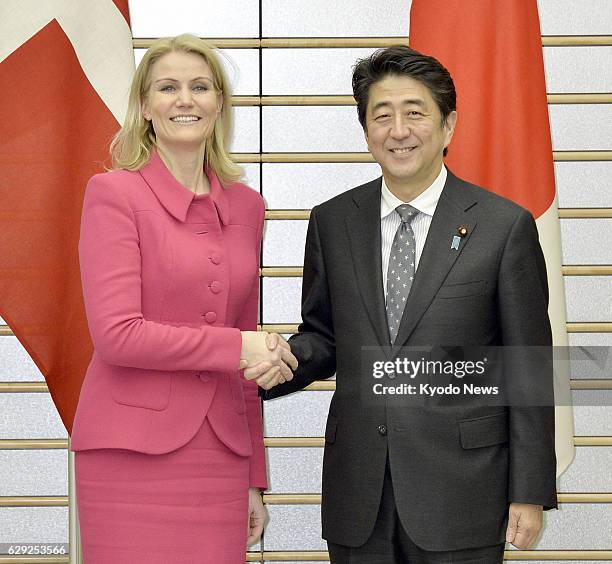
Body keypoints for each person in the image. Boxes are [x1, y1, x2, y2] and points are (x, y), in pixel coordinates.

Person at [251, 46, 557, 563]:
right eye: (382, 115)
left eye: (415, 112)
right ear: (365, 128)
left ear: (448, 124)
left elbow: (527, 366)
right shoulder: (332, 221)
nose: (399, 130)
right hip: (360, 489)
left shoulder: (504, 227)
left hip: (463, 492)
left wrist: (527, 491)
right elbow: (325, 335)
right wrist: (283, 358)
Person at [71, 34, 296, 563]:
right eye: (167, 88)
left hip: (220, 457)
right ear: (145, 106)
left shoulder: (247, 206)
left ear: (219, 103)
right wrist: (237, 348)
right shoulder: (113, 194)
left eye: (200, 87)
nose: (185, 100)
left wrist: (252, 478)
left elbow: (247, 357)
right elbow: (116, 334)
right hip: (128, 454)